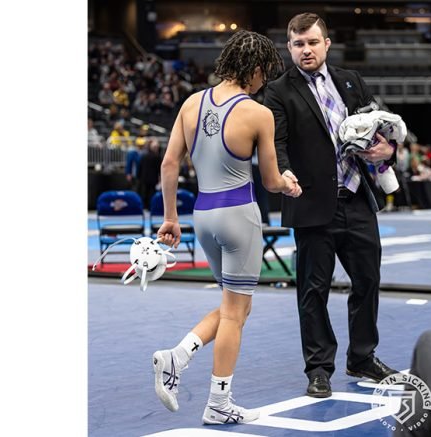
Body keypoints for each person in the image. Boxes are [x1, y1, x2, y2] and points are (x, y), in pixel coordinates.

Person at [153, 30, 301, 425]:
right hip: (238, 216)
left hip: (202, 215)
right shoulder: (258, 113)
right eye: (264, 74)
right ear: (255, 69)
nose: (264, 82)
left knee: (234, 305)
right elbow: (270, 181)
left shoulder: (191, 104)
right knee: (235, 314)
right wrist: (288, 183)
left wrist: (171, 217)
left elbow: (169, 163)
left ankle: (178, 356)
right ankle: (218, 403)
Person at [263, 12, 399, 398]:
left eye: (312, 42)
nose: (306, 50)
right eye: (298, 44)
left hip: (357, 198)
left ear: (326, 44)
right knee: (313, 291)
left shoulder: (351, 81)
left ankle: (362, 357)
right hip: (310, 202)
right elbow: (277, 142)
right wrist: (283, 173)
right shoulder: (278, 91)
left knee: (368, 281)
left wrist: (388, 149)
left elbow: (382, 127)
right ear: (289, 48)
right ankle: (319, 368)